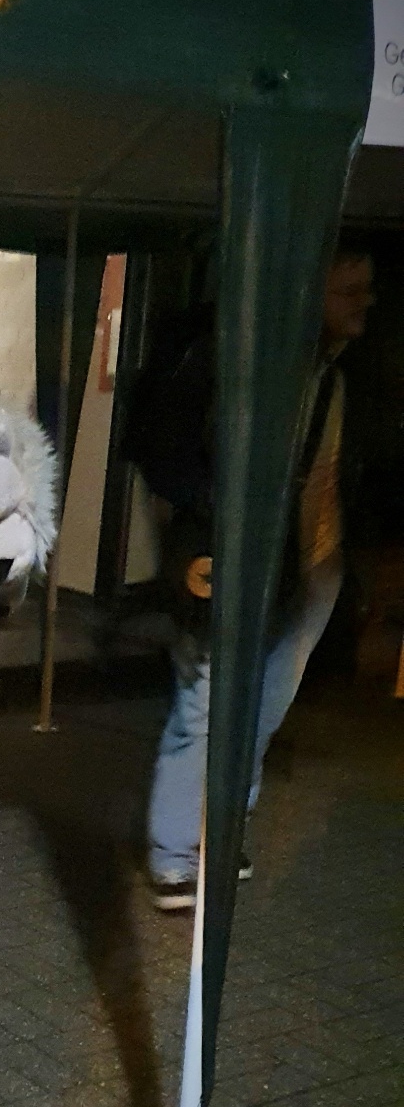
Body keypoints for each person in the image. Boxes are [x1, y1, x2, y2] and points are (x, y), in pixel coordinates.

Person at [133, 246, 374, 910]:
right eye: (351, 289)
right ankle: (175, 857)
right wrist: (211, 521)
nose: (366, 302)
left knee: (260, 713)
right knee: (204, 704)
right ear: (308, 291)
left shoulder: (333, 373)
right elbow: (164, 454)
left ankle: (216, 837)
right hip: (232, 557)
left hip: (310, 567)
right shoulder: (235, 358)